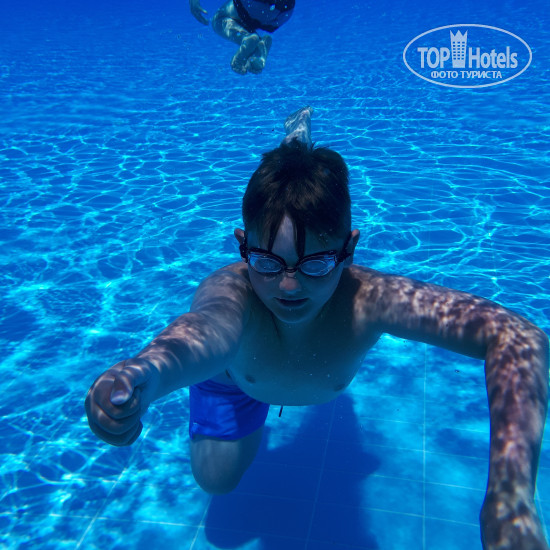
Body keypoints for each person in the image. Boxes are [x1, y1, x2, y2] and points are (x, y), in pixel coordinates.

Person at [85, 107, 549, 550]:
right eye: (268, 262)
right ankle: (294, 147)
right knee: (216, 481)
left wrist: (510, 498)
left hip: (269, 364)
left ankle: (296, 144)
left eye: (317, 263)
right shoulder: (233, 295)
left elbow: (519, 336)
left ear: (349, 249)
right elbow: (198, 332)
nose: (289, 286)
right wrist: (139, 377)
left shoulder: (370, 299)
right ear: (243, 246)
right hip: (232, 378)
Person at [189, 0, 295, 74]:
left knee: (219, 19)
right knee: (245, 18)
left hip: (256, 5)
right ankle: (259, 49)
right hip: (285, 12)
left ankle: (247, 38)